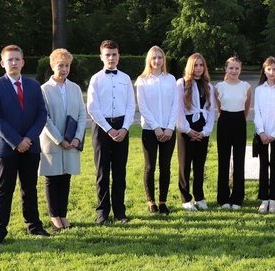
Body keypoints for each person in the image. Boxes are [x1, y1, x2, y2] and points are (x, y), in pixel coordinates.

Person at [0, 45, 49, 248]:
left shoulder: (33, 86)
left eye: (17, 59)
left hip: (30, 147)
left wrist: (28, 139)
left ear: (23, 62)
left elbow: (42, 114)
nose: (13, 63)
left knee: (29, 188)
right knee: (4, 191)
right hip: (6, 149)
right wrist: (17, 141)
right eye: (9, 60)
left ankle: (34, 226)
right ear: (2, 63)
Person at [86, 40, 135, 225]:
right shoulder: (96, 79)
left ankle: (120, 211)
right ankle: (102, 212)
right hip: (102, 127)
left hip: (122, 127)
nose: (111, 58)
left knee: (120, 171)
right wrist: (108, 129)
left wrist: (124, 128)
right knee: (102, 171)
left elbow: (131, 105)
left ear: (119, 55)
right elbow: (92, 107)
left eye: (114, 54)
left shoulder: (125, 79)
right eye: (108, 54)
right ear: (101, 57)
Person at [39, 48, 87, 232]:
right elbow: (44, 118)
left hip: (72, 142)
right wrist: (60, 139)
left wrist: (76, 137)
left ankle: (63, 214)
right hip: (52, 141)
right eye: (60, 65)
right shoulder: (44, 89)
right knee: (53, 178)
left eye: (67, 65)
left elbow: (82, 113)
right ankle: (54, 216)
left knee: (66, 178)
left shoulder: (74, 88)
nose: (64, 69)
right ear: (52, 66)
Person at [136, 46, 179, 216]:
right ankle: (151, 201)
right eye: (154, 58)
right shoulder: (142, 80)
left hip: (168, 130)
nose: (157, 61)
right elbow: (143, 107)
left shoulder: (170, 79)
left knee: (165, 167)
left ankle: (163, 201)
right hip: (150, 130)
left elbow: (175, 104)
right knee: (150, 167)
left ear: (164, 60)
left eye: (159, 57)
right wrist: (156, 127)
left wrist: (169, 127)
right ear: (149, 60)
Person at [176, 53, 216, 211]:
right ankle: (186, 199)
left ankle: (199, 196)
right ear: (190, 66)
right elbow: (178, 109)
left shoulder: (208, 85)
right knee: (185, 165)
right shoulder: (182, 83)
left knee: (199, 165)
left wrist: (206, 131)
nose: (198, 68)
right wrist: (187, 129)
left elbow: (211, 110)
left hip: (202, 128)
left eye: (201, 65)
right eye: (196, 65)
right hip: (186, 128)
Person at [215, 56, 252, 209]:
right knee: (223, 159)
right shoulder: (219, 86)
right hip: (224, 120)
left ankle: (237, 197)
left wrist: (240, 119)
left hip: (239, 121)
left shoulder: (246, 86)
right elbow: (218, 106)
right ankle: (223, 197)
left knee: (239, 159)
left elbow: (247, 107)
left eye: (237, 68)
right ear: (226, 69)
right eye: (231, 68)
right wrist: (225, 116)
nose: (234, 71)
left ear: (240, 69)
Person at [253, 57, 275, 214]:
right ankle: (264, 198)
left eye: (274, 69)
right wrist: (261, 131)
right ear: (264, 70)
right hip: (262, 134)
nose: (272, 72)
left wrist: (274, 133)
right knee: (263, 165)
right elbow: (257, 112)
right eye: (269, 69)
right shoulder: (259, 89)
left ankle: (273, 198)